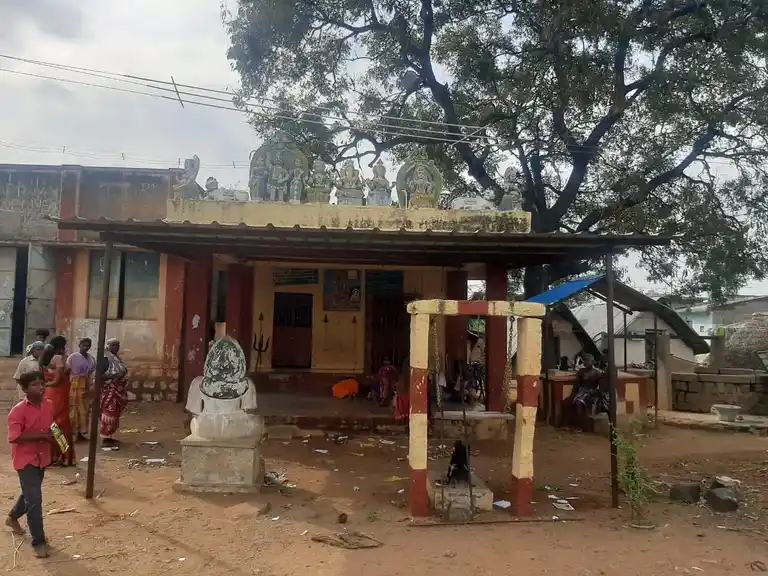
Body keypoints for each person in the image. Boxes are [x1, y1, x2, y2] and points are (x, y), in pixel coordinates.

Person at [6, 371, 54, 558]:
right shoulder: (18, 411)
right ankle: (39, 541)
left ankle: (12, 517)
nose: (40, 388)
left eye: (41, 384)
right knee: (35, 499)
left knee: (30, 493)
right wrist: (42, 436)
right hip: (25, 459)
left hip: (42, 456)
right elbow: (14, 437)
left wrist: (58, 439)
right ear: (25, 389)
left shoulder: (48, 404)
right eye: (34, 385)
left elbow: (51, 425)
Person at [39, 336, 75, 466]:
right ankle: (65, 455)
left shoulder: (48, 359)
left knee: (52, 424)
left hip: (51, 393)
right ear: (61, 347)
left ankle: (54, 455)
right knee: (60, 424)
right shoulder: (59, 358)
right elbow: (57, 381)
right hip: (58, 393)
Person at [564, 353, 608, 430]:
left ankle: (581, 427)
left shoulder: (597, 373)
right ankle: (570, 424)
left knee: (579, 403)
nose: (585, 362)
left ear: (592, 362)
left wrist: (596, 395)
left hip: (591, 394)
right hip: (581, 392)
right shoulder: (581, 372)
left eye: (587, 361)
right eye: (584, 361)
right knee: (568, 402)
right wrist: (572, 395)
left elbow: (600, 387)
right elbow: (576, 385)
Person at [98, 338, 129, 446]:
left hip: (118, 390)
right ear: (108, 347)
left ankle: (110, 436)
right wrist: (114, 376)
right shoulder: (105, 359)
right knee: (108, 414)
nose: (116, 347)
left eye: (117, 345)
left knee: (115, 414)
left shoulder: (117, 358)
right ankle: (105, 438)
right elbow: (100, 375)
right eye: (113, 345)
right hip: (109, 391)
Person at [66, 338, 95, 442]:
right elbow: (67, 371)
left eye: (88, 346)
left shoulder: (90, 358)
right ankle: (74, 432)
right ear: (79, 345)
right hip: (75, 384)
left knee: (85, 409)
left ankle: (82, 432)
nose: (85, 347)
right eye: (84, 345)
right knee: (75, 408)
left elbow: (92, 371)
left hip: (86, 384)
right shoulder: (73, 357)